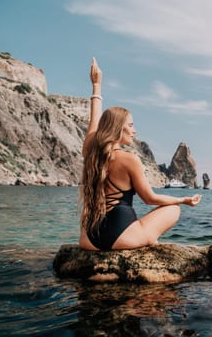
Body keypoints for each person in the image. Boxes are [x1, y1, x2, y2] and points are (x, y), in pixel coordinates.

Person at [79, 58, 202, 251]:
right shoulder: (129, 159)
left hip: (89, 240)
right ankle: (146, 238)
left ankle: (143, 236)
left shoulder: (90, 150)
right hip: (121, 238)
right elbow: (150, 199)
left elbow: (94, 119)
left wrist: (97, 86)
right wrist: (183, 200)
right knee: (173, 210)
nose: (134, 130)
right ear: (118, 129)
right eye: (130, 125)